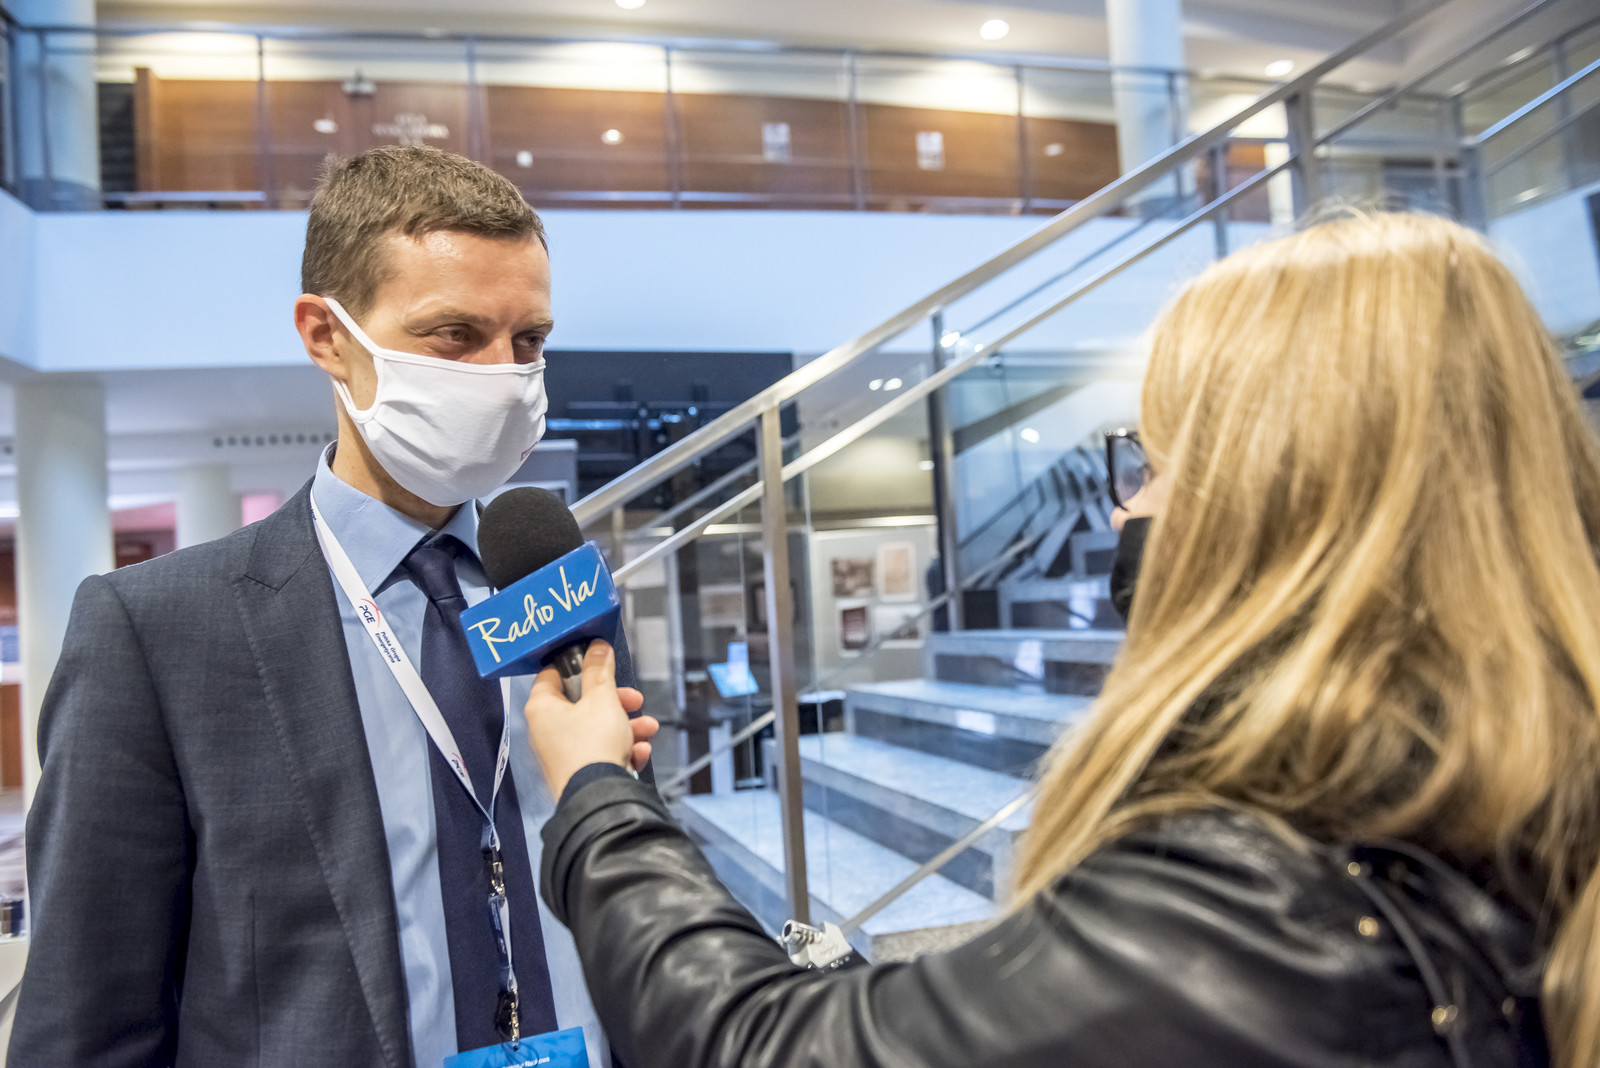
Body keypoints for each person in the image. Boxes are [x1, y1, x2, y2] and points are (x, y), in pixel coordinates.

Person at [522, 213, 1600, 1068]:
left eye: (1157, 462)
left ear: (1277, 501)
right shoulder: (1519, 784)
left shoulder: (1255, 902)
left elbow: (759, 1048)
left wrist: (597, 798)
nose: (1128, 509)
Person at [11, 145, 655, 1068]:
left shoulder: (553, 587)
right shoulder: (157, 633)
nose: (503, 375)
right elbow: (88, 1022)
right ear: (326, 336)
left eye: (529, 342)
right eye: (455, 335)